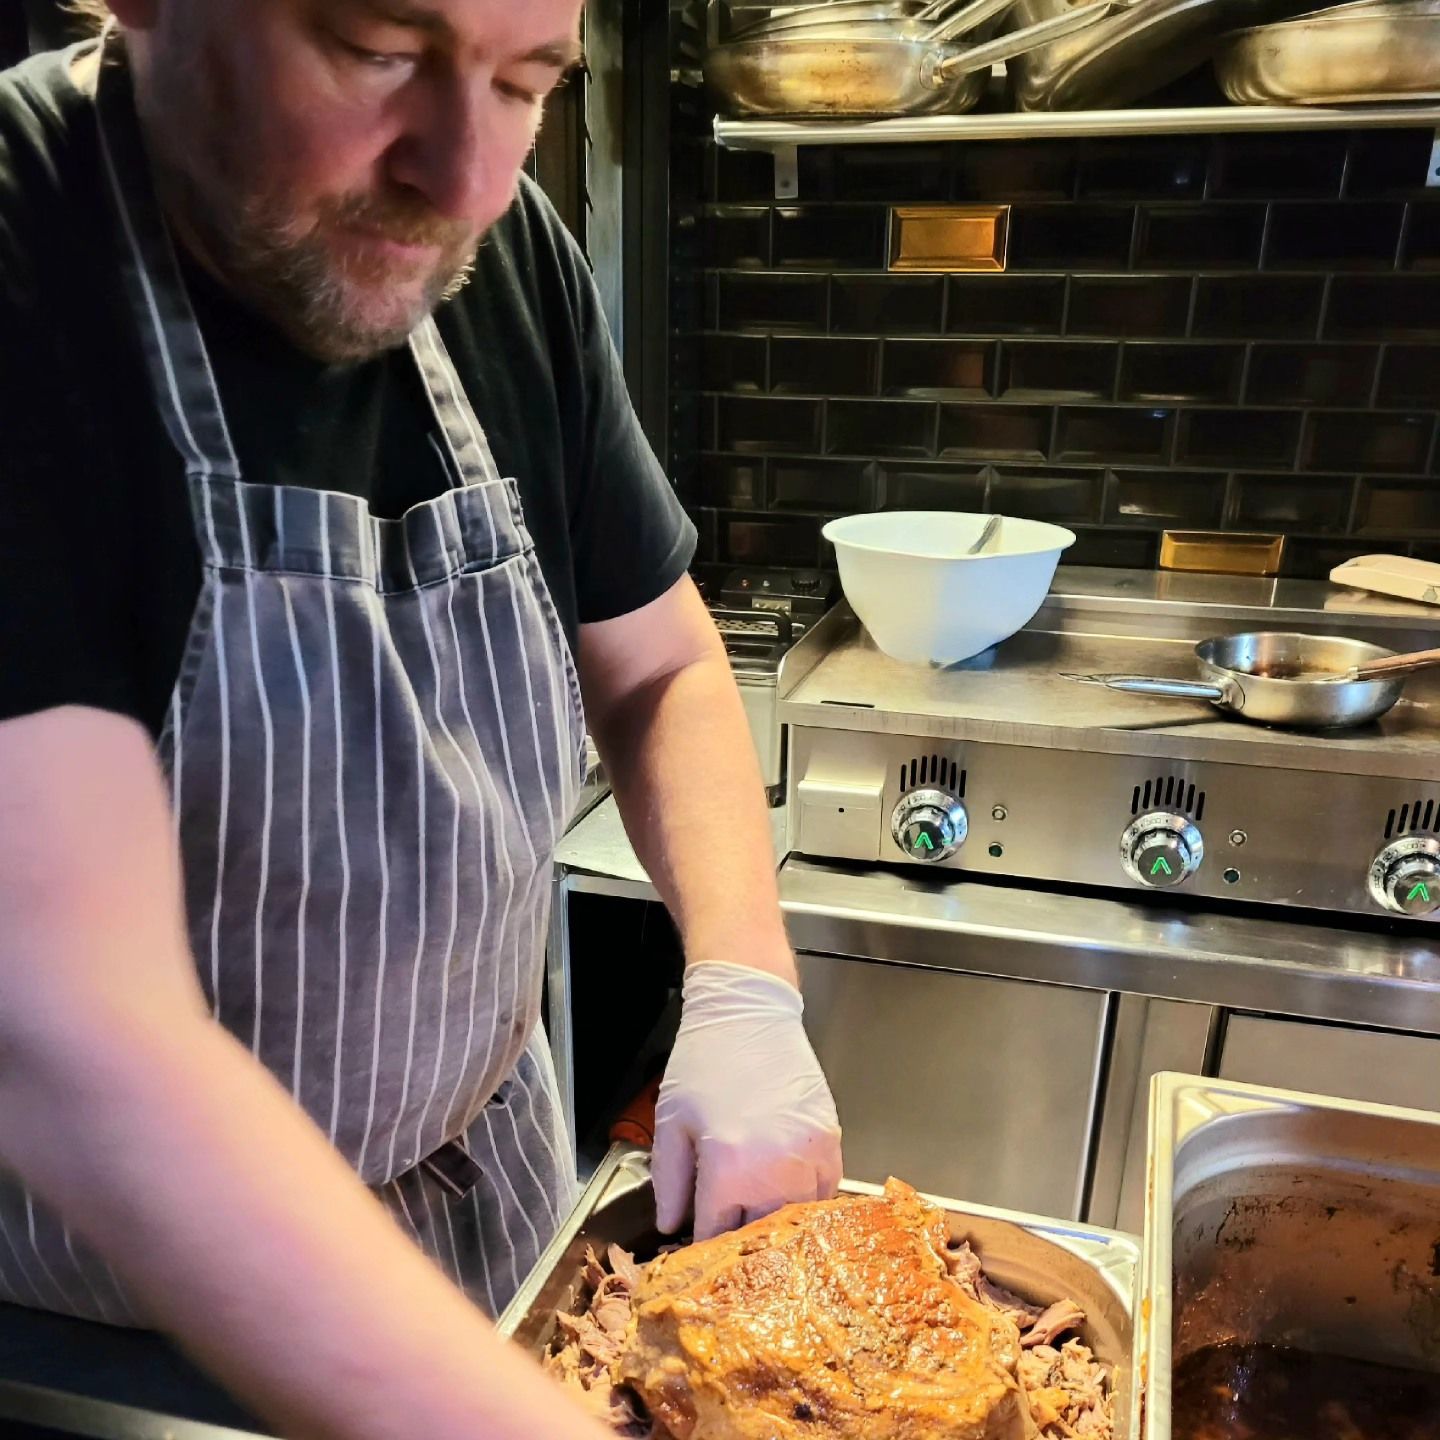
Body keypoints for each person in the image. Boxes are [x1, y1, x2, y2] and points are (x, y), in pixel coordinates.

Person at [0, 2, 843, 1435]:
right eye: (378, 51)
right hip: (111, 1349)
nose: (468, 179)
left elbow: (662, 671)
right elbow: (72, 1028)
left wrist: (745, 989)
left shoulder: (503, 258)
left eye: (529, 81)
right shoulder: (31, 251)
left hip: (487, 1244)